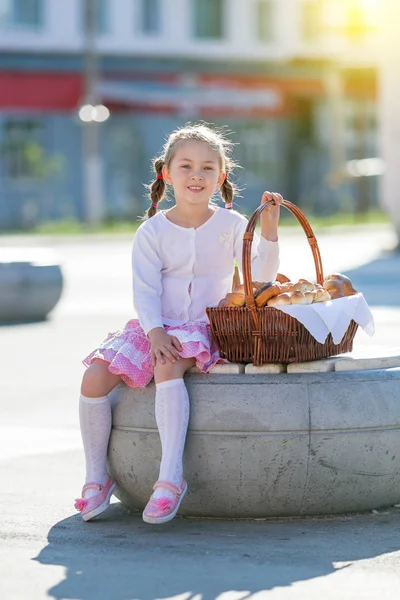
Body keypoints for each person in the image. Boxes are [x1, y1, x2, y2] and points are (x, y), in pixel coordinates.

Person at [74, 122, 281, 524]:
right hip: (156, 325)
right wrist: (153, 332)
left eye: (207, 168)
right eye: (185, 166)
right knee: (94, 378)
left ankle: (170, 479)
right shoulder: (151, 231)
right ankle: (96, 477)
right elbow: (145, 289)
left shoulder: (233, 225)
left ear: (221, 176)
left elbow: (262, 274)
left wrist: (269, 228)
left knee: (167, 366)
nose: (196, 175)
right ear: (167, 174)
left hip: (207, 328)